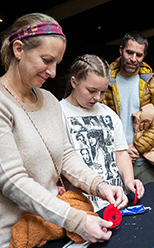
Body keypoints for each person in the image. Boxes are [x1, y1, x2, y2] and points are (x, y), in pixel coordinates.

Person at [0, 13, 127, 248]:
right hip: (4, 236)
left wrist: (99, 185)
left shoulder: (49, 100)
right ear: (18, 49)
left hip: (48, 225)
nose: (52, 72)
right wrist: (78, 221)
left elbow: (66, 155)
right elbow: (12, 181)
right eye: (46, 60)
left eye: (56, 64)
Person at [60, 54, 144, 211]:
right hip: (83, 207)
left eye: (103, 92)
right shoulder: (59, 112)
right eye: (91, 91)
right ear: (74, 82)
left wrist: (129, 181)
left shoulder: (108, 113)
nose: (97, 97)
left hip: (116, 203)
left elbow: (121, 153)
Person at [101, 31, 154, 184]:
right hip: (113, 160)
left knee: (151, 204)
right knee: (116, 206)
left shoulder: (153, 84)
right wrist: (121, 148)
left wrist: (138, 147)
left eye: (138, 55)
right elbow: (98, 122)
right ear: (121, 50)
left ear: (144, 55)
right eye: (129, 52)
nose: (133, 59)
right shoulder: (104, 81)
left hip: (144, 160)